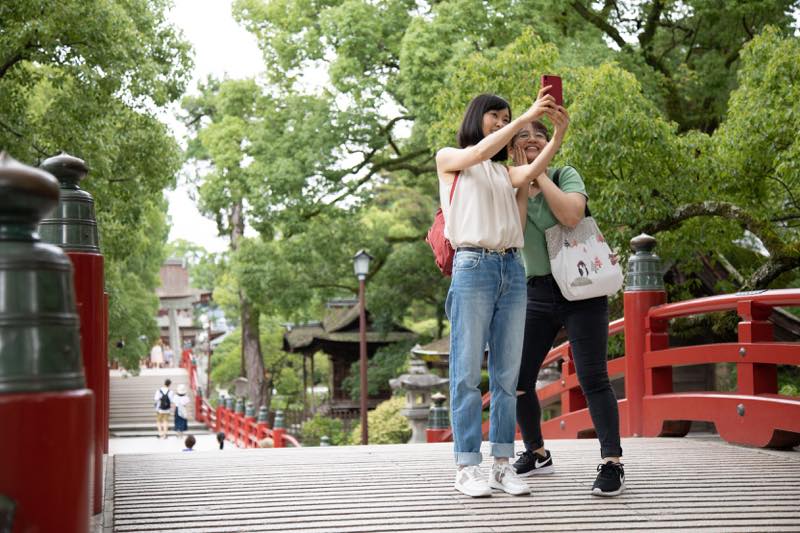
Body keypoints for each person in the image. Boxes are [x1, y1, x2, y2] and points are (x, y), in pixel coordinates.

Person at [435, 87, 568, 498]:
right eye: (495, 116)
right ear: (477, 118)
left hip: (512, 267)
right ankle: (467, 466)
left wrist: (559, 136)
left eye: (505, 117)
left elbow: (528, 174)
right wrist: (526, 113)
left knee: (508, 376)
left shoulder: (502, 172)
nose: (501, 122)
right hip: (473, 265)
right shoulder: (452, 160)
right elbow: (477, 153)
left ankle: (501, 464)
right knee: (467, 374)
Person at [509, 119, 625, 496]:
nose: (530, 140)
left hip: (583, 289)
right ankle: (537, 452)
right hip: (537, 291)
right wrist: (524, 176)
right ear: (510, 147)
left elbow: (572, 216)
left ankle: (612, 462)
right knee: (518, 379)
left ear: (550, 143)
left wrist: (541, 171)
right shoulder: (510, 183)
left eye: (538, 136)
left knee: (593, 378)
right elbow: (511, 228)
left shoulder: (563, 173)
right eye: (522, 136)